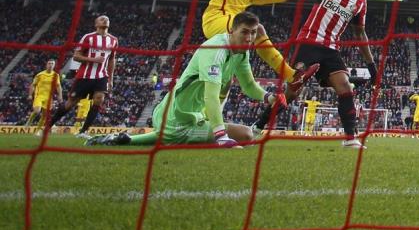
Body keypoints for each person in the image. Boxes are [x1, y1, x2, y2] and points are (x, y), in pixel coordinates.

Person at [87, 11, 285, 147]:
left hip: (185, 114)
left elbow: (248, 85)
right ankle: (126, 139)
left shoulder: (241, 52)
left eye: (253, 33)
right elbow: (211, 96)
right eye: (245, 32)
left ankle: (123, 139)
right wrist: (221, 135)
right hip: (177, 116)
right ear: (231, 31)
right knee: (246, 135)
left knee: (242, 134)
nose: (249, 38)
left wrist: (269, 97)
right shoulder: (216, 50)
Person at [252, 0, 378, 149]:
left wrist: (372, 67)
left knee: (345, 87)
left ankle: (350, 138)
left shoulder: (360, 2)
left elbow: (360, 34)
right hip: (308, 43)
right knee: (292, 92)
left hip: (331, 49)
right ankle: (258, 126)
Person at [44, 15, 117, 139]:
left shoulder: (113, 40)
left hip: (101, 76)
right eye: (101, 19)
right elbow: (76, 56)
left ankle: (83, 131)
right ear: (96, 24)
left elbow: (112, 60)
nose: (105, 19)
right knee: (70, 103)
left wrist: (111, 79)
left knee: (99, 100)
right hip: (84, 76)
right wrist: (93, 59)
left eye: (107, 19)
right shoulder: (88, 37)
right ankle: (48, 127)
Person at [25, 59, 62, 128]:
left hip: (49, 97)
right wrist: (30, 95)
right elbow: (33, 85)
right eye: (49, 63)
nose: (50, 65)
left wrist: (60, 95)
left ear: (54, 66)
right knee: (37, 111)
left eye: (52, 64)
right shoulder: (40, 75)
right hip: (39, 95)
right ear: (46, 65)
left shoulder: (56, 75)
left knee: (44, 116)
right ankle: (29, 121)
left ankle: (37, 131)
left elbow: (58, 86)